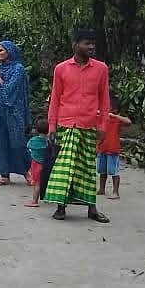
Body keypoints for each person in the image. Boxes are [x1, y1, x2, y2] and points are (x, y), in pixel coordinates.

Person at [44, 29, 111, 222]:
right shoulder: (61, 69)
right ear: (76, 45)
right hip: (66, 124)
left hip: (89, 125)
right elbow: (55, 98)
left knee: (87, 169)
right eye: (87, 43)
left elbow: (104, 100)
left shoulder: (101, 69)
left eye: (93, 43)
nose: (91, 47)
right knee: (64, 168)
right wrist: (52, 127)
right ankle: (60, 208)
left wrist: (103, 126)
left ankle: (92, 209)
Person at [0, 40, 31, 186]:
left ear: (9, 51)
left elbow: (8, 89)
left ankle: (27, 172)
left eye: (1, 50)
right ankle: (4, 174)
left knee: (17, 140)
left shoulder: (18, 68)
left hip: (14, 108)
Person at [97, 97, 132, 200]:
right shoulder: (101, 117)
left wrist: (115, 116)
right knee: (102, 171)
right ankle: (102, 189)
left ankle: (115, 192)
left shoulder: (116, 119)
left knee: (113, 171)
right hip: (101, 148)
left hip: (112, 149)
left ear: (115, 109)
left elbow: (128, 122)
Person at [24, 118, 49, 207]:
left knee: (37, 184)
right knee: (46, 182)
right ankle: (47, 198)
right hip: (47, 164)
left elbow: (28, 147)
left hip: (36, 164)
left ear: (37, 130)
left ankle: (34, 201)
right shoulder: (49, 141)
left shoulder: (33, 140)